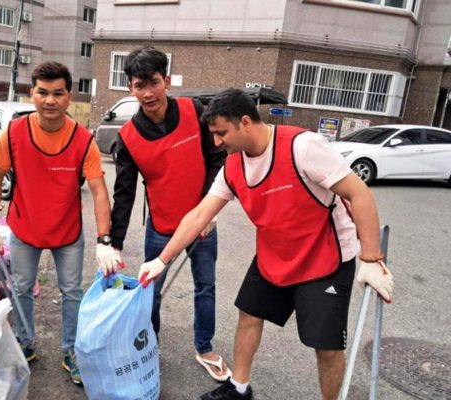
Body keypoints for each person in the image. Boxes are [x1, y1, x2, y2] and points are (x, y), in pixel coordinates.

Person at [138, 88, 394, 400]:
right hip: (274, 253)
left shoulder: (303, 147)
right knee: (249, 315)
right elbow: (200, 213)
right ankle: (239, 388)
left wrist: (370, 257)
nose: (217, 142)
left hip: (323, 257)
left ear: (245, 122)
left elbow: (359, 194)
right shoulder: (233, 166)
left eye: (221, 133)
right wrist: (161, 261)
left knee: (325, 347)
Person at [0, 61, 122, 386]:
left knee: (72, 291)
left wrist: (104, 240)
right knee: (21, 287)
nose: (50, 100)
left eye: (58, 93)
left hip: (67, 232)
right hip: (25, 228)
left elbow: (100, 191)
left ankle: (71, 351)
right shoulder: (14, 134)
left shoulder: (82, 140)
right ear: (32, 93)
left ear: (68, 96)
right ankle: (26, 343)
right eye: (42, 92)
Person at [110, 46, 231, 381]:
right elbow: (124, 193)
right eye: (139, 85)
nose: (148, 93)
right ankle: (149, 344)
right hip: (160, 227)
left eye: (153, 82)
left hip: (203, 225)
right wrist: (112, 242)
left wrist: (209, 208)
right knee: (151, 290)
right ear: (131, 88)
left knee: (205, 286)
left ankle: (205, 347)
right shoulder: (129, 136)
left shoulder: (195, 111)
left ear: (166, 80)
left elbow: (217, 158)